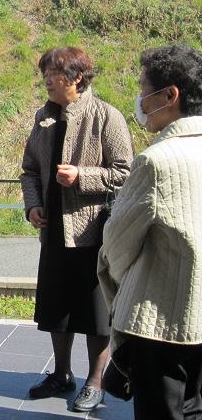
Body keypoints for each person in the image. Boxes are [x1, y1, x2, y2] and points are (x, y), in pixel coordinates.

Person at [19, 47, 133, 412]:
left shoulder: (106, 117)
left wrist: (82, 176)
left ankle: (95, 382)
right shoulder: (43, 117)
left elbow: (125, 174)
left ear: (77, 78)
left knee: (95, 313)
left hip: (94, 233)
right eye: (45, 74)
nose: (48, 80)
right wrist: (33, 204)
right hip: (52, 230)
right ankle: (62, 374)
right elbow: (30, 170)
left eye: (55, 73)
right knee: (57, 308)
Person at [98, 44, 202, 419]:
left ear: (170, 95)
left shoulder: (156, 160)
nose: (140, 100)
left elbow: (117, 244)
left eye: (145, 89)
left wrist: (122, 284)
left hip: (160, 319)